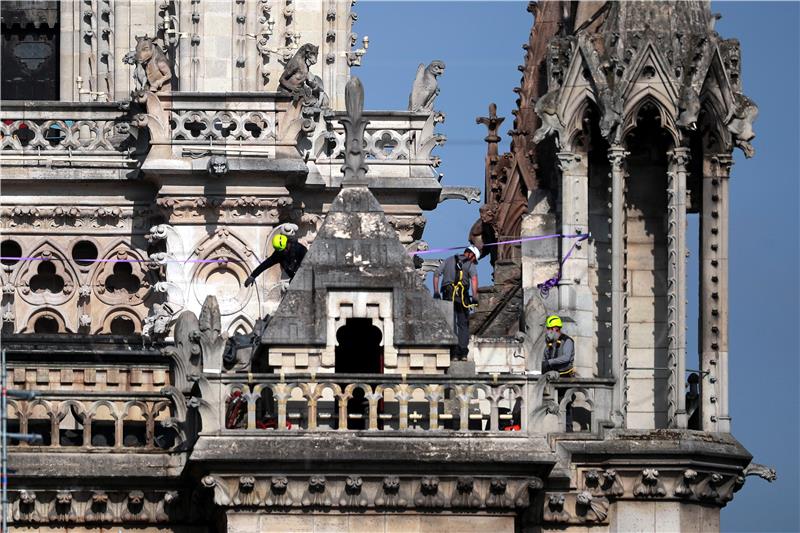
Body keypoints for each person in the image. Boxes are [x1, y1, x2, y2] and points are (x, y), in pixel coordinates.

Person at [432, 246, 480, 360]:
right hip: (462, 297)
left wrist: (436, 292)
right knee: (463, 324)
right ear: (471, 255)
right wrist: (474, 296)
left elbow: (436, 274)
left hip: (448, 296)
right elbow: (474, 279)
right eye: (474, 259)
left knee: (450, 324)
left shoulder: (448, 260)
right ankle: (463, 352)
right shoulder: (470, 264)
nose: (473, 261)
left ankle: (453, 353)